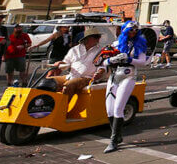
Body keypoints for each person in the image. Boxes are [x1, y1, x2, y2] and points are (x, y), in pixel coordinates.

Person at [98, 21, 149, 153]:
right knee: (109, 110)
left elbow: (143, 62)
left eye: (135, 30)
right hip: (114, 77)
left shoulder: (139, 44)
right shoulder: (116, 44)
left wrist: (129, 59)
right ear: (125, 31)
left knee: (118, 108)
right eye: (130, 30)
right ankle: (118, 135)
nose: (133, 32)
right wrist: (111, 60)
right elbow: (102, 61)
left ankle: (113, 140)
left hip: (128, 77)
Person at [47, 30, 103, 96]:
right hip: (71, 76)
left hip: (87, 78)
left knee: (69, 85)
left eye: (99, 37)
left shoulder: (100, 51)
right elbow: (66, 63)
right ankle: (48, 104)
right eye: (96, 37)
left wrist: (99, 72)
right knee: (48, 81)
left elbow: (102, 66)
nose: (99, 39)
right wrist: (60, 63)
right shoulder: (74, 49)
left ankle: (64, 105)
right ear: (87, 38)